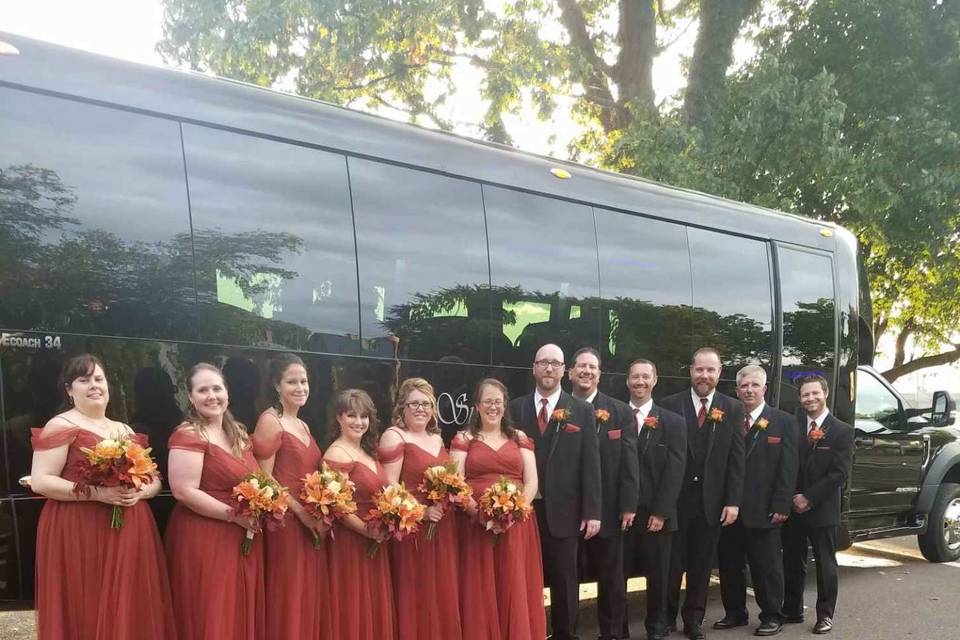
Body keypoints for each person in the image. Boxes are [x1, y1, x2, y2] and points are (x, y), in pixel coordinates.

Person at [30, 354, 175, 640]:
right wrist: (99, 493)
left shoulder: (125, 429)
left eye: (99, 379)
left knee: (129, 602)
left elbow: (155, 480)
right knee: (88, 601)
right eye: (84, 380)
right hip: (80, 529)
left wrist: (140, 492)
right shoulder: (60, 425)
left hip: (130, 529)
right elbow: (41, 481)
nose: (94, 385)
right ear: (69, 390)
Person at [165, 362, 265, 640]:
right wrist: (234, 514)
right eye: (203, 390)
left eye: (217, 388)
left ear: (227, 393)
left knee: (236, 608)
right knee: (210, 610)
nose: (212, 395)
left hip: (240, 535)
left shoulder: (238, 434)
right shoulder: (188, 434)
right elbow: (184, 491)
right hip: (204, 536)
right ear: (191, 397)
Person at [510, 343, 601, 640]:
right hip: (522, 511)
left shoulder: (584, 411)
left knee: (564, 580)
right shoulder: (515, 408)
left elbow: (591, 465)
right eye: (543, 362)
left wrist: (592, 512)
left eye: (555, 363)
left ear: (565, 370)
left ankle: (565, 634)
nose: (549, 368)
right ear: (533, 368)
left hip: (565, 512)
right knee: (524, 579)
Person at [451, 378, 545, 640]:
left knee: (513, 584)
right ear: (477, 406)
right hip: (475, 528)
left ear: (505, 406)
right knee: (480, 588)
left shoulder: (520, 438)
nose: (493, 407)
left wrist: (515, 512)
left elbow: (532, 482)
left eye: (498, 402)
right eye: (487, 401)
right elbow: (455, 483)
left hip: (517, 525)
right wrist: (479, 514)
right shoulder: (464, 439)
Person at [661, 347, 745, 640]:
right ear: (690, 371)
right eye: (700, 369)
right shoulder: (670, 405)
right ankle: (666, 617)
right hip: (675, 501)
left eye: (711, 370)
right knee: (671, 563)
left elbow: (737, 459)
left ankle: (693, 620)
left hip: (712, 503)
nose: (704, 375)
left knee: (701, 565)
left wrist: (733, 501)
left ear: (719, 373)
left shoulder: (732, 408)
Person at [713, 365, 798, 637]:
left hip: (765, 510)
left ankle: (773, 615)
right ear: (737, 390)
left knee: (766, 567)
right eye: (744, 386)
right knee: (729, 565)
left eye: (754, 385)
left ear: (765, 389)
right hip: (729, 509)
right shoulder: (725, 419)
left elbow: (788, 468)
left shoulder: (784, 422)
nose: (749, 390)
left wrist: (782, 504)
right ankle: (735, 612)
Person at [251, 354, 331, 640]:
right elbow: (263, 477)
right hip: (286, 522)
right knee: (288, 594)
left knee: (307, 593)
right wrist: (300, 512)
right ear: (276, 385)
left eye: (304, 381)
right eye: (292, 382)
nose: (300, 387)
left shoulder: (304, 425)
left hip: (310, 523)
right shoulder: (271, 421)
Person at [379, 377, 462, 640]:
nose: (420, 409)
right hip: (412, 528)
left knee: (441, 591)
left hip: (443, 527)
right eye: (414, 403)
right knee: (416, 590)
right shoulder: (395, 435)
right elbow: (388, 484)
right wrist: (421, 511)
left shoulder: (436, 437)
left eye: (426, 404)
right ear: (402, 407)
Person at [568, 347, 639, 640]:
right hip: (568, 510)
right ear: (570, 372)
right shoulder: (560, 410)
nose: (586, 371)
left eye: (592, 367)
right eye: (581, 366)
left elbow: (629, 463)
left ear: (600, 374)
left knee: (611, 578)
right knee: (567, 577)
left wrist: (628, 505)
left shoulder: (620, 411)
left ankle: (612, 633)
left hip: (609, 510)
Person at [781, 375, 854, 635]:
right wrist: (792, 496)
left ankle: (825, 615)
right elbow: (787, 464)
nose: (810, 398)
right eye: (805, 395)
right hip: (793, 507)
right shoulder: (793, 425)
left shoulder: (842, 431)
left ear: (825, 394)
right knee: (792, 560)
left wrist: (808, 497)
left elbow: (839, 474)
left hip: (822, 508)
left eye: (815, 393)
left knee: (825, 564)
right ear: (800, 398)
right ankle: (792, 609)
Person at [322, 389, 398, 640]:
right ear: (338, 418)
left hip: (374, 538)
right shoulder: (336, 453)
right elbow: (337, 505)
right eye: (351, 415)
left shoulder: (367, 450)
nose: (358, 422)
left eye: (364, 416)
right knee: (352, 603)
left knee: (372, 604)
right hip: (351, 542)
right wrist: (367, 530)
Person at [621, 358, 686, 640]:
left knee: (658, 576)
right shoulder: (613, 415)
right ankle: (617, 629)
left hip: (654, 515)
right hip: (620, 514)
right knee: (616, 577)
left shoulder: (673, 422)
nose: (640, 382)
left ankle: (657, 627)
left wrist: (661, 513)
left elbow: (675, 471)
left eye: (646, 377)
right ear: (627, 380)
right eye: (635, 377)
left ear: (655, 380)